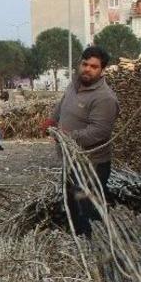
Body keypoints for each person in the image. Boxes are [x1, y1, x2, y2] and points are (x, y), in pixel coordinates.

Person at [41, 45, 119, 236]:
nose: (87, 69)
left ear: (102, 71)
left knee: (87, 207)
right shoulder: (74, 84)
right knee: (71, 203)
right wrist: (52, 119)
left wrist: (67, 136)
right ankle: (78, 241)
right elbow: (63, 104)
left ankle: (96, 246)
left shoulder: (105, 98)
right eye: (85, 64)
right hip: (71, 160)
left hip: (91, 165)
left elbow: (99, 132)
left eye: (94, 67)